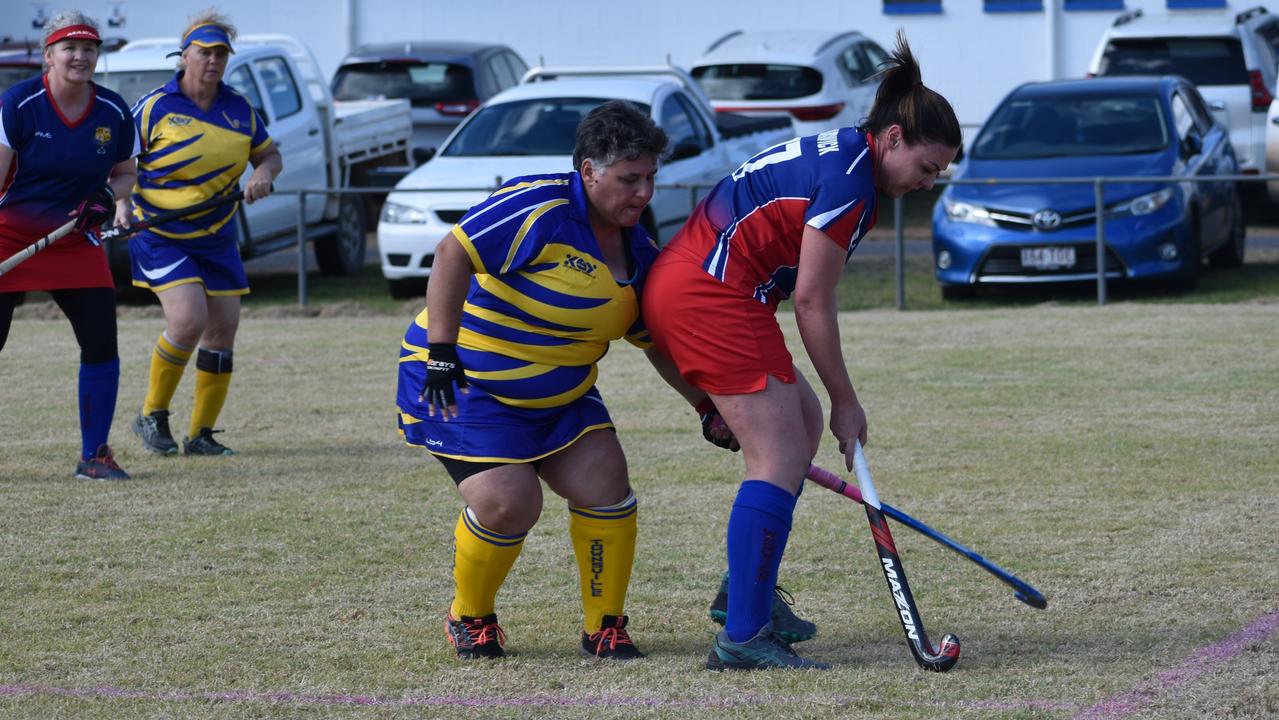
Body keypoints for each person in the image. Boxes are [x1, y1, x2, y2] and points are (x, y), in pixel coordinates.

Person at [643, 32, 961, 671]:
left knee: (803, 425)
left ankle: (745, 592)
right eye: (927, 168)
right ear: (892, 139)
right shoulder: (853, 181)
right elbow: (813, 301)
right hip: (709, 291)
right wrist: (849, 398)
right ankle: (743, 636)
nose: (928, 184)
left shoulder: (848, 156)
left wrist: (832, 406)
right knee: (782, 448)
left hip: (715, 288)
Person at [396, 101, 707, 661]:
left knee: (608, 485)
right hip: (467, 379)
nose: (643, 193)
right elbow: (451, 254)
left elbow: (655, 345)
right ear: (588, 170)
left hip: (562, 397)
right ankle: (470, 617)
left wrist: (705, 407)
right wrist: (442, 352)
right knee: (511, 503)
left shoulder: (639, 253)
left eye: (650, 179)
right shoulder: (541, 207)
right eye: (629, 179)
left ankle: (604, 626)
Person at [127, 11, 282, 457]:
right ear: (185, 55)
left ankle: (201, 434)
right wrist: (119, 203)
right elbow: (120, 162)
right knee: (188, 319)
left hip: (216, 233)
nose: (212, 61)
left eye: (220, 54)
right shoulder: (156, 105)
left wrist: (264, 176)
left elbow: (270, 156)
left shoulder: (239, 108)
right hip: (160, 231)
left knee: (222, 329)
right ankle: (152, 415)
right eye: (204, 52)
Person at [0, 11, 138, 480]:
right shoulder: (18, 105)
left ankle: (93, 457)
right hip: (9, 236)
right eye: (69, 48)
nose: (80, 56)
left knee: (101, 341)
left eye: (89, 48)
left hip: (74, 239)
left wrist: (107, 195)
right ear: (48, 55)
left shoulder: (115, 111)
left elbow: (124, 175)